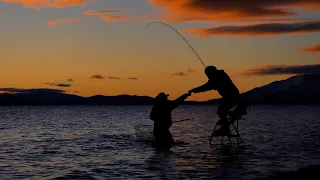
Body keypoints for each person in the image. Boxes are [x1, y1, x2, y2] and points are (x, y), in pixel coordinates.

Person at [188, 65, 242, 136]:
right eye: (206, 75)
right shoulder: (219, 76)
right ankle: (226, 128)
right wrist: (194, 90)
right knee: (221, 111)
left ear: (212, 72)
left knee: (221, 111)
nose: (207, 76)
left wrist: (194, 90)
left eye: (207, 74)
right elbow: (208, 85)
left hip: (232, 97)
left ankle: (225, 129)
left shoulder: (217, 78)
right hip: (230, 97)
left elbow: (206, 86)